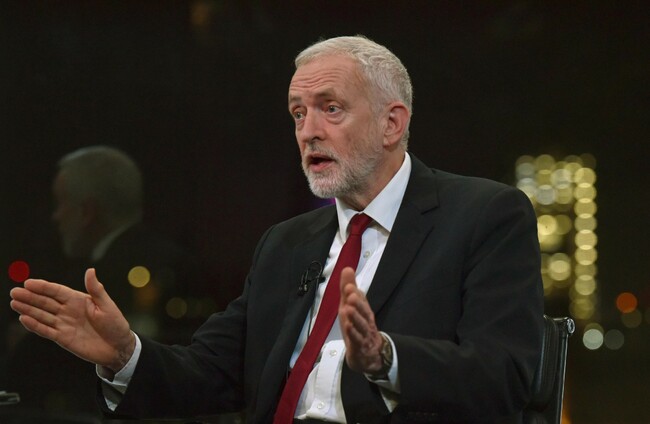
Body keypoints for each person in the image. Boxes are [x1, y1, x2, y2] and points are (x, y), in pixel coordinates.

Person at [10, 36, 544, 423]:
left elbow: (505, 377)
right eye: (297, 114)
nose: (308, 131)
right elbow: (212, 372)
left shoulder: (484, 217)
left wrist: (385, 358)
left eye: (330, 109)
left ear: (392, 123)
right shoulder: (286, 244)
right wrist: (124, 354)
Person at [5, 146, 201, 419]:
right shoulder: (178, 261)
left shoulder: (95, 280)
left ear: (87, 212)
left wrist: (27, 341)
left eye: (61, 203)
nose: (56, 216)